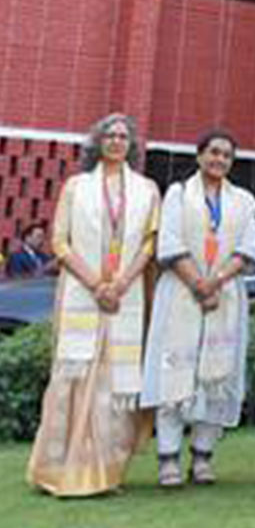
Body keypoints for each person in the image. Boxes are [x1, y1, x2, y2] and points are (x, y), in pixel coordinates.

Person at [27, 113, 161, 497]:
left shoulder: (147, 190)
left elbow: (150, 243)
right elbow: (60, 242)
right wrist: (95, 284)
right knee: (75, 377)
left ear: (131, 145)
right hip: (84, 292)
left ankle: (104, 473)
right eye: (109, 135)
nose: (116, 141)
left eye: (123, 136)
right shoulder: (77, 187)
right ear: (98, 143)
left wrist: (121, 283)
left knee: (115, 383)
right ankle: (58, 470)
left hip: (124, 294)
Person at [140, 130, 255, 487]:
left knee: (216, 379)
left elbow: (247, 249)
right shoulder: (178, 194)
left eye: (226, 155)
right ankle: (168, 458)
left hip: (225, 295)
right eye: (213, 152)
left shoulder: (244, 201)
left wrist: (216, 281)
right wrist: (198, 283)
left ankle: (203, 457)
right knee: (174, 370)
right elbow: (169, 242)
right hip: (181, 291)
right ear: (199, 156)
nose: (219, 160)